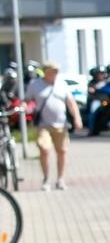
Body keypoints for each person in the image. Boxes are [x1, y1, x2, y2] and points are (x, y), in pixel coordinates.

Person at [27, 62, 83, 190]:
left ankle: (60, 179)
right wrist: (25, 107)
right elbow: (27, 100)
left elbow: (71, 103)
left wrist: (77, 118)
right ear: (46, 71)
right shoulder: (35, 84)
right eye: (53, 71)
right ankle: (46, 179)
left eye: (57, 71)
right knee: (44, 150)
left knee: (62, 152)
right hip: (43, 125)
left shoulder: (62, 84)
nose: (56, 73)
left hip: (61, 124)